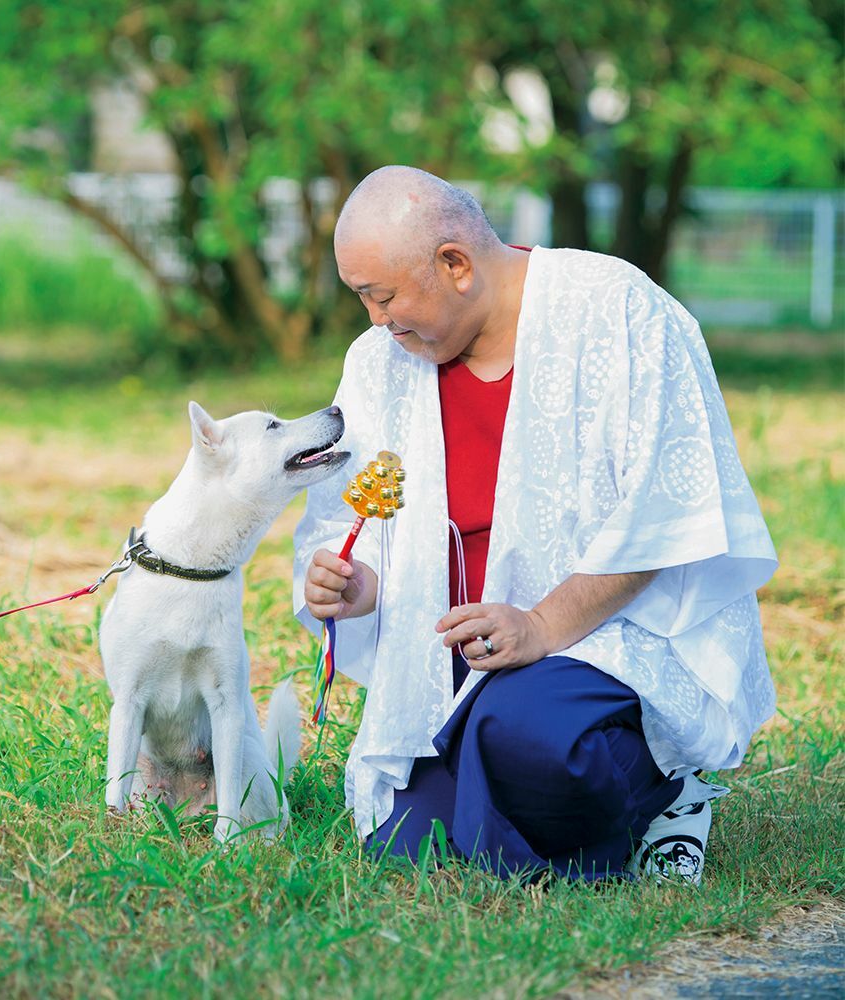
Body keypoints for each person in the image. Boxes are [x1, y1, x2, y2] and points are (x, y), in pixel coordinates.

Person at [292, 166, 777, 883]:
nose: (376, 321)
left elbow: (663, 515)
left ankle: (669, 795)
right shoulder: (380, 362)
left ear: (454, 264)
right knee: (409, 842)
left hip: (598, 640)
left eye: (383, 296)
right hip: (454, 654)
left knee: (521, 735)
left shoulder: (617, 310)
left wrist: (543, 626)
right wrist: (355, 585)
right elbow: (346, 518)